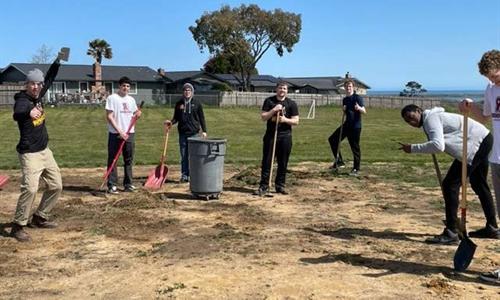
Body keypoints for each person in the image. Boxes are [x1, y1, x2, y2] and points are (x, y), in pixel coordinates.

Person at [399, 104, 499, 245]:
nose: (411, 122)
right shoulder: (431, 119)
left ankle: (452, 232)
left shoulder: (430, 119)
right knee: (479, 184)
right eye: (407, 121)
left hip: (475, 144)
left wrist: (413, 148)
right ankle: (492, 227)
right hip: (483, 138)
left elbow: (438, 146)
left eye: (411, 117)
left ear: (418, 111)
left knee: (450, 184)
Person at [458, 49, 500, 284]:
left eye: (494, 75)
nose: (491, 80)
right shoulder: (491, 89)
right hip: (497, 159)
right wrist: (469, 106)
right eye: (488, 77)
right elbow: (485, 116)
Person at [10, 58, 63, 242]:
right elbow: (17, 114)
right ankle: (18, 226)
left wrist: (58, 61)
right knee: (30, 189)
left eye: (38, 84)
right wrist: (28, 113)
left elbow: (49, 79)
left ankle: (40, 217)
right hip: (29, 153)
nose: (35, 87)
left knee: (56, 185)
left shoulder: (39, 96)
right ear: (27, 84)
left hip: (45, 151)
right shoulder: (23, 101)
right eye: (32, 83)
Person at [254, 81, 299, 196]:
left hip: (285, 136)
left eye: (284, 88)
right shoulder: (269, 101)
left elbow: (296, 121)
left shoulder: (291, 104)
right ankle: (264, 186)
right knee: (267, 161)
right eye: (280, 88)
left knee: (283, 162)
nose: (282, 90)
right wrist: (273, 110)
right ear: (276, 89)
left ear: (287, 91)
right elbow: (263, 117)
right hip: (271, 135)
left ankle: (280, 185)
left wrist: (285, 120)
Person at [164, 83, 207, 183]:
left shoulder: (197, 103)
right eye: (185, 90)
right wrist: (171, 122)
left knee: (193, 156)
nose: (187, 92)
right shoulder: (179, 103)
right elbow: (176, 118)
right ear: (183, 92)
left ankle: (194, 175)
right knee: (184, 156)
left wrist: (204, 131)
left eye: (189, 90)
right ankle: (184, 175)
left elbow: (201, 118)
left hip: (194, 133)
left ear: (192, 92)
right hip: (183, 133)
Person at [105, 76, 142, 194]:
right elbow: (109, 117)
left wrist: (138, 114)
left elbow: (135, 114)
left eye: (128, 86)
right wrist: (120, 131)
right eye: (123, 86)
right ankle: (112, 185)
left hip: (129, 133)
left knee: (129, 159)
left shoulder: (131, 100)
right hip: (116, 134)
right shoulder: (112, 98)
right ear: (119, 86)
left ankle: (128, 184)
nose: (125, 88)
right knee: (113, 159)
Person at [328, 79, 366, 176]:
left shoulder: (358, 98)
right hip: (347, 125)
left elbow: (364, 111)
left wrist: (359, 108)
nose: (348, 88)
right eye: (347, 87)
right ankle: (339, 161)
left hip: (355, 126)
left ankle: (356, 168)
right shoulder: (345, 99)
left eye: (350, 86)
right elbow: (347, 112)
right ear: (344, 88)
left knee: (355, 147)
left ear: (353, 87)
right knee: (333, 139)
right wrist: (344, 110)